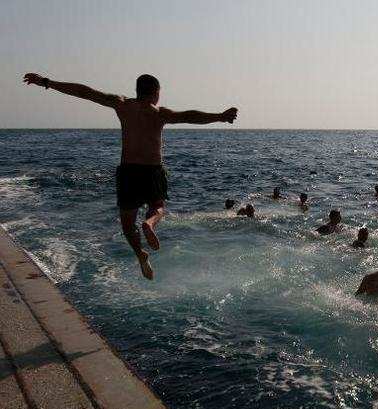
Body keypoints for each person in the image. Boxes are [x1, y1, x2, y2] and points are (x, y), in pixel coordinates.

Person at [23, 73, 238, 279]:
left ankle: (140, 254)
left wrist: (46, 82)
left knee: (127, 225)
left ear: (137, 91)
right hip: (153, 170)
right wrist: (220, 116)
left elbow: (84, 92)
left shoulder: (122, 105)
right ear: (156, 92)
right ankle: (150, 224)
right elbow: (191, 116)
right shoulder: (160, 113)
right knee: (158, 207)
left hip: (128, 172)